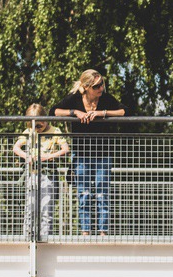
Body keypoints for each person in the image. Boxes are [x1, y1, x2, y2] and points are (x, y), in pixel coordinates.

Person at [54, 70, 125, 236]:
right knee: (84, 193)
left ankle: (103, 232)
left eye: (102, 84)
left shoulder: (106, 99)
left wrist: (102, 113)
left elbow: (123, 111)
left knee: (102, 193)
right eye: (96, 86)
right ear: (86, 87)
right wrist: (75, 112)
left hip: (103, 154)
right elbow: (54, 110)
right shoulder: (75, 98)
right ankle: (85, 231)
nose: (101, 88)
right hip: (81, 154)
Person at [13, 103, 70, 239]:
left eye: (39, 125)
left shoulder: (55, 131)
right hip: (32, 173)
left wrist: (49, 156)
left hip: (47, 174)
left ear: (45, 119)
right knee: (30, 208)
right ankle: (28, 238)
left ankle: (44, 239)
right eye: (32, 126)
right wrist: (28, 157)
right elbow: (16, 148)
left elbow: (65, 149)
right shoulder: (29, 132)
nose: (37, 129)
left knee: (46, 209)